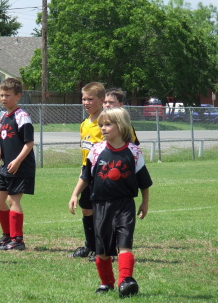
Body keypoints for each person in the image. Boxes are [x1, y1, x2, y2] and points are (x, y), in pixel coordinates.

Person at [68, 107, 152, 298]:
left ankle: (125, 281)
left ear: (121, 126)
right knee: (103, 249)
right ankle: (106, 283)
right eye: (101, 125)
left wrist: (145, 202)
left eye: (108, 124)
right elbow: (86, 176)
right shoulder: (96, 151)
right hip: (101, 206)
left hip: (125, 205)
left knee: (125, 244)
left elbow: (144, 181)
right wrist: (75, 195)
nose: (103, 128)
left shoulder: (134, 152)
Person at [0, 78, 35, 251]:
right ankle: (7, 235)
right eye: (1, 95)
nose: (3, 98)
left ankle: (18, 240)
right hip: (6, 166)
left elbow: (29, 143)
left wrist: (17, 161)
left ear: (18, 96)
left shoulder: (22, 116)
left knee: (13, 199)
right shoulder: (3, 117)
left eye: (7, 95)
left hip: (21, 166)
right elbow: (3, 143)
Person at [72, 82, 105, 260]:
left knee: (102, 212)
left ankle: (104, 248)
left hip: (104, 175)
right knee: (86, 209)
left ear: (102, 100)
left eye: (90, 99)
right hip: (87, 174)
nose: (86, 102)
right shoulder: (85, 124)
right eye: (84, 99)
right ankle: (91, 246)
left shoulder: (106, 122)